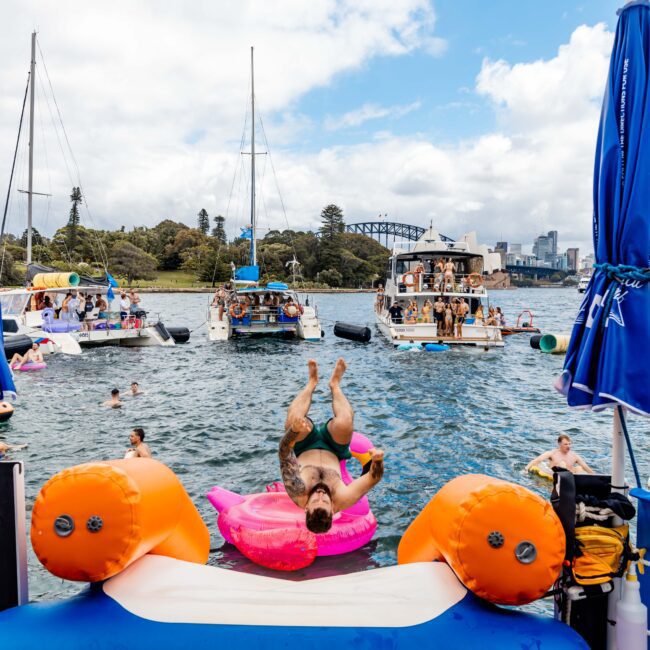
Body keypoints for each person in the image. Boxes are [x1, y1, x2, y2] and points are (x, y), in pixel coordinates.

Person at [278, 359, 384, 534]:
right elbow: (373, 478)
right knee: (345, 422)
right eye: (325, 501)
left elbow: (284, 452)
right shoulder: (343, 498)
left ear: (306, 508)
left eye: (315, 501)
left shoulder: (297, 490)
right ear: (333, 509)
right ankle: (335, 384)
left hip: (304, 446)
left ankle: (312, 383)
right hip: (334, 448)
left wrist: (294, 431)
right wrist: (378, 461)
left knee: (293, 419)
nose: (320, 495)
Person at [526, 434, 594, 475]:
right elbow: (537, 460)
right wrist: (525, 469)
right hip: (557, 475)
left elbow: (585, 466)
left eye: (569, 444)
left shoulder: (574, 456)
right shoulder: (552, 453)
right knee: (562, 464)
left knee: (580, 468)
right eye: (566, 444)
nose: (568, 446)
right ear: (559, 444)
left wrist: (595, 476)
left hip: (570, 477)